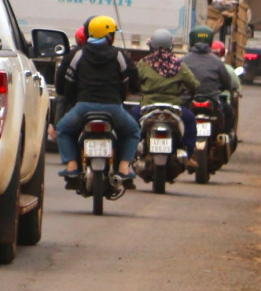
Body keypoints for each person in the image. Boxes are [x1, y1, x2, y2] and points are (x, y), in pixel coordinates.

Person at [52, 15, 143, 185]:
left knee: (63, 129)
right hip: (113, 108)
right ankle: (124, 167)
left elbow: (65, 82)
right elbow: (130, 79)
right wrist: (124, 95)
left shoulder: (77, 54)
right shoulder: (119, 55)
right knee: (133, 131)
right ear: (109, 36)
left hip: (83, 107)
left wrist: (72, 99)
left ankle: (72, 166)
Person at [137, 29, 201, 164]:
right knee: (190, 120)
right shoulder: (178, 64)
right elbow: (194, 85)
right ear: (170, 46)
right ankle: (189, 156)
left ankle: (131, 154)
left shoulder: (144, 63)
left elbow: (134, 81)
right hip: (174, 108)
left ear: (151, 46)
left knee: (132, 123)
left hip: (147, 107)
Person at [182, 25, 240, 128]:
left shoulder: (183, 61)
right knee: (229, 113)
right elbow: (227, 83)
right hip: (212, 100)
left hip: (188, 100)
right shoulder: (217, 61)